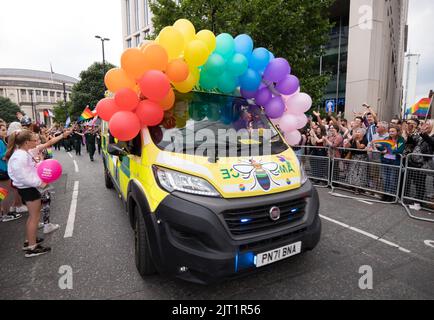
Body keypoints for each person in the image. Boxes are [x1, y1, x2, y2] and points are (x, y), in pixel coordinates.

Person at [6, 130, 50, 257]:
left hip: (28, 188)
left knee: (32, 217)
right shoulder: (19, 156)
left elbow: (29, 170)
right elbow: (23, 176)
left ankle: (29, 240)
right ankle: (32, 247)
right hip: (28, 189)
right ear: (26, 142)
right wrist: (40, 183)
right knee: (34, 217)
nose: (36, 142)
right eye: (33, 140)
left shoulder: (22, 153)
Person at [376, 125, 405, 201]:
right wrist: (379, 147)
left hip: (394, 163)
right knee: (385, 179)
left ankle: (391, 196)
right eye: (390, 131)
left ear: (397, 132)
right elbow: (380, 146)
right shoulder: (386, 138)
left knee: (392, 180)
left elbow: (400, 150)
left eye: (393, 131)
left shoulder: (401, 140)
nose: (391, 133)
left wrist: (387, 150)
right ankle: (385, 195)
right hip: (385, 161)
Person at [0, 123, 21, 222]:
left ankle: (4, 212)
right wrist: (10, 151)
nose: (6, 131)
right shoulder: (0, 142)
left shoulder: (2, 141)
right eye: (3, 130)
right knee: (4, 193)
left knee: (3, 193)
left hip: (3, 170)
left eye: (5, 129)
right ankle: (5, 214)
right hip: (2, 170)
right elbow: (2, 156)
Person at [345, 128, 368, 194]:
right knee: (353, 172)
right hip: (354, 157)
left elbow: (360, 147)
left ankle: (358, 188)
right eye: (357, 132)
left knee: (360, 173)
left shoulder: (364, 139)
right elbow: (347, 146)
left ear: (362, 134)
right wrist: (350, 140)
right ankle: (353, 186)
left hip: (361, 158)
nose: (357, 133)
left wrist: (357, 140)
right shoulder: (353, 139)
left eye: (359, 132)